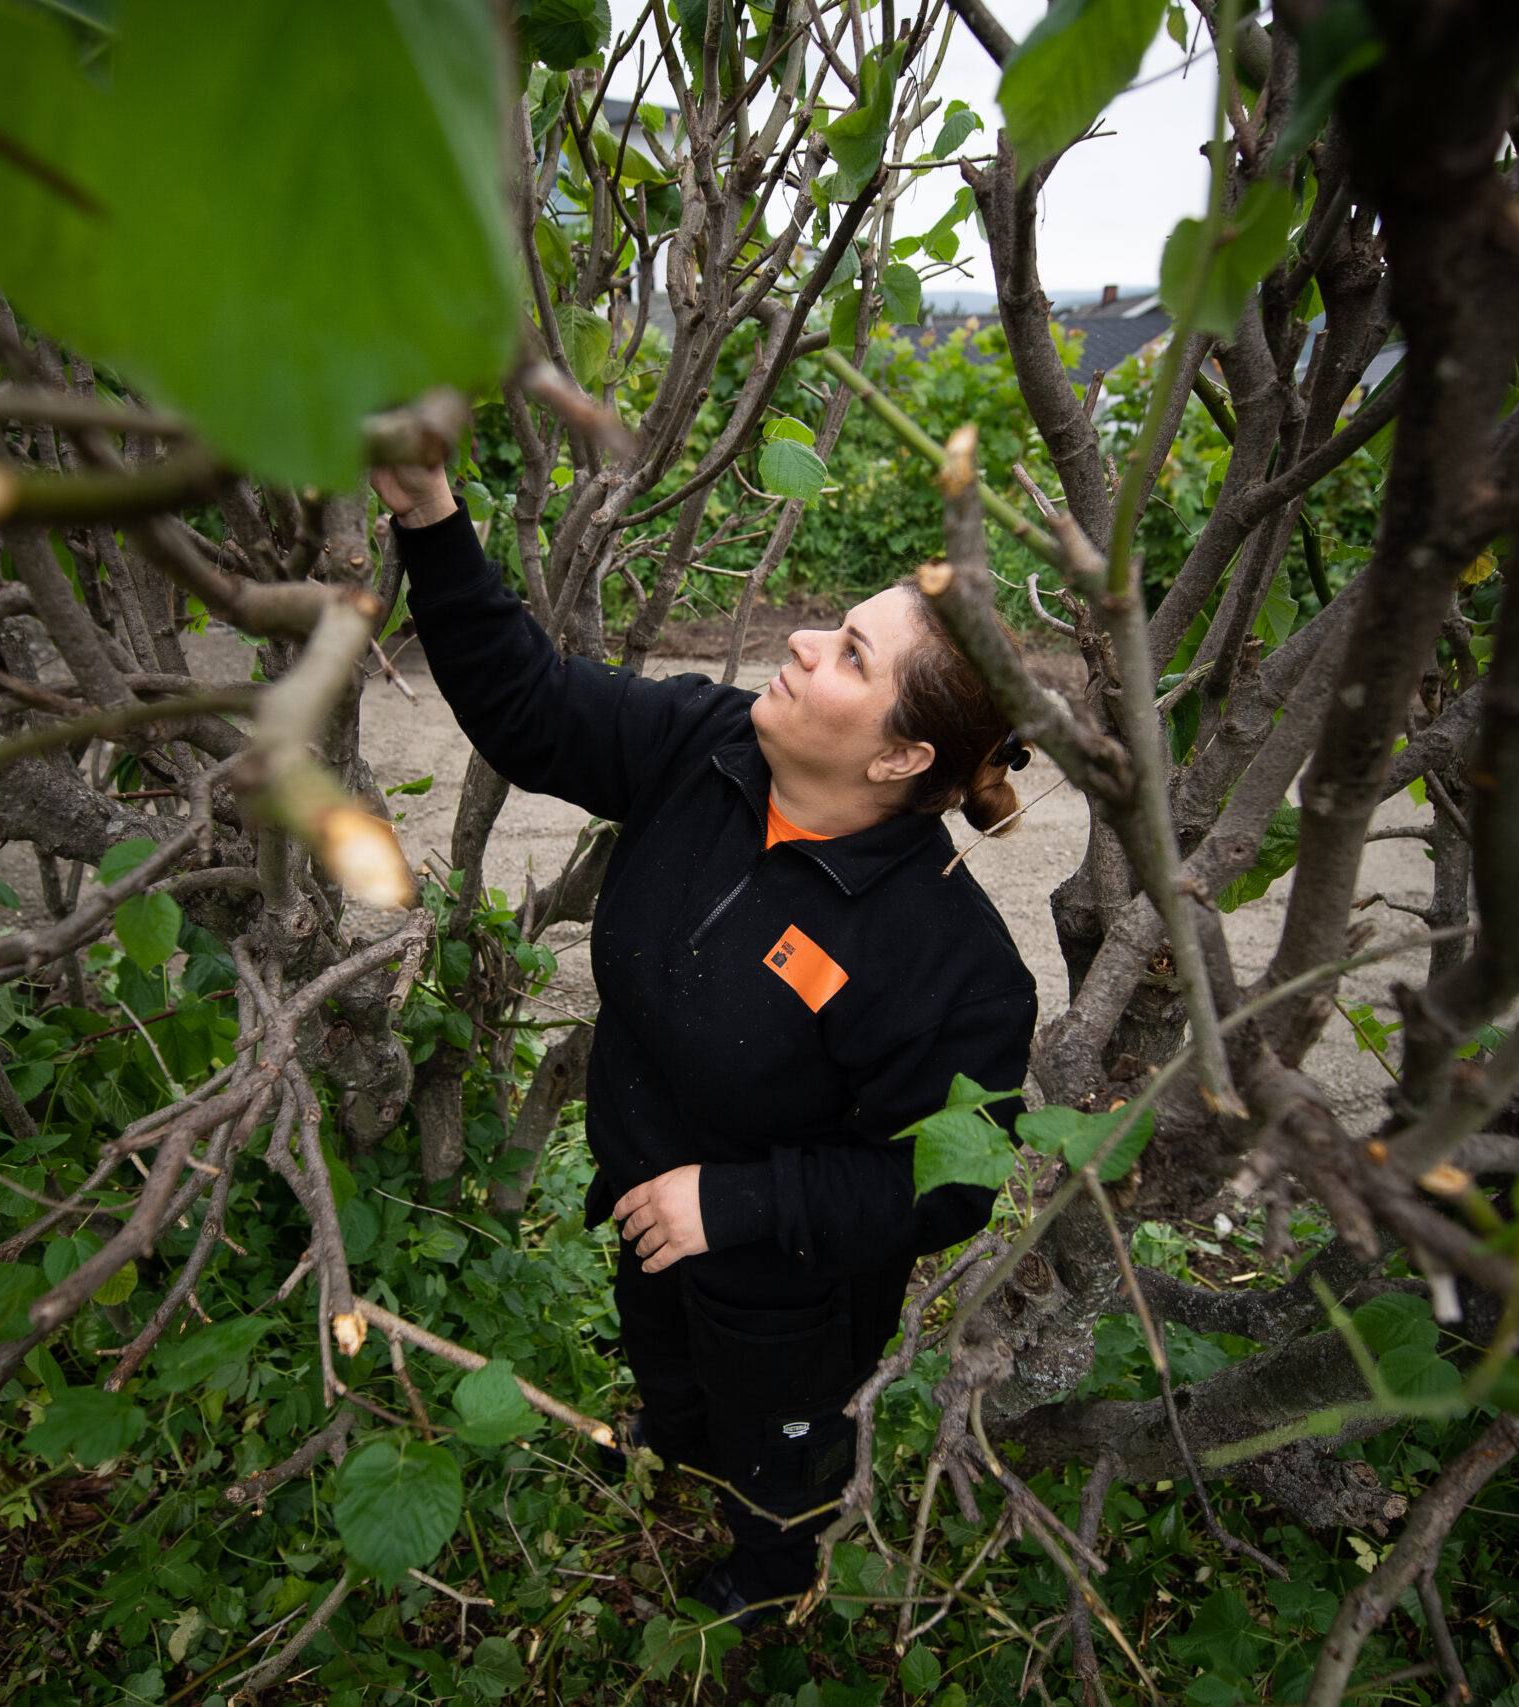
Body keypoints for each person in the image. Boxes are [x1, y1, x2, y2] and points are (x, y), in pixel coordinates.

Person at [372, 459, 1037, 1627]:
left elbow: (950, 1180)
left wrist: (730, 1205)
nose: (799, 638)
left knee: (781, 1449)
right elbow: (529, 704)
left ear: (900, 758)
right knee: (666, 1364)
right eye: (833, 624)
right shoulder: (708, 746)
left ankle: (767, 1574)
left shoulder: (950, 963)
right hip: (640, 1192)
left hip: (788, 1284)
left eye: (848, 654)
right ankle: (674, 1445)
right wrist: (428, 513)